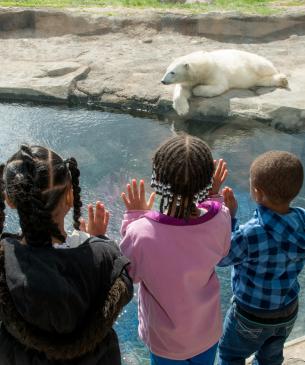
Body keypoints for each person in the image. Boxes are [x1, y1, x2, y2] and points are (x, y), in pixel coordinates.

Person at [0, 144, 133, 365]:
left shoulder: (5, 262)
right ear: (70, 196)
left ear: (10, 200)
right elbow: (117, 275)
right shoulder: (103, 258)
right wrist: (99, 240)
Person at [119, 134, 231, 365]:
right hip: (206, 334)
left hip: (166, 342)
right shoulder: (221, 217)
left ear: (157, 179)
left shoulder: (141, 232)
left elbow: (131, 271)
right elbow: (222, 247)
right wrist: (214, 195)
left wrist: (133, 218)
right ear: (207, 181)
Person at [218, 150, 305, 365]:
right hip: (287, 311)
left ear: (257, 193)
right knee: (270, 358)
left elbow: (222, 258)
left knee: (231, 355)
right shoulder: (302, 219)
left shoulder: (251, 233)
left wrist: (229, 218)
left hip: (250, 316)